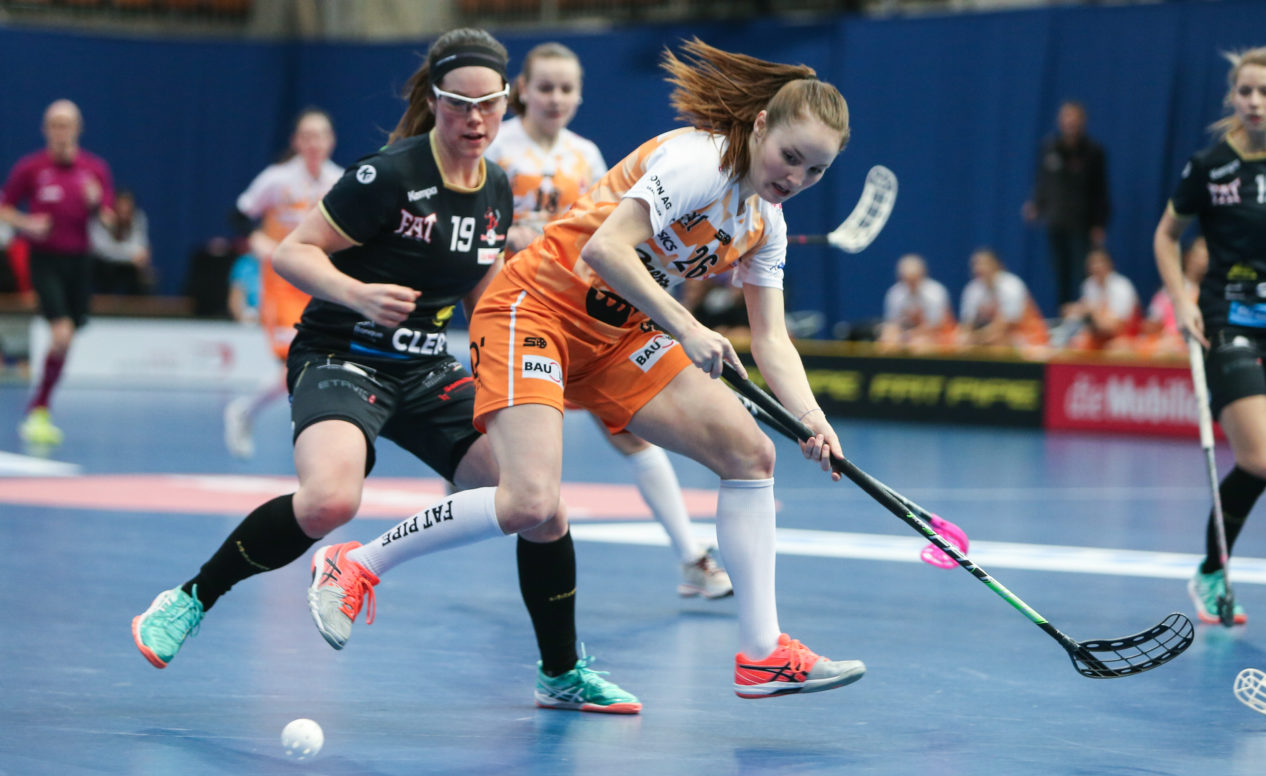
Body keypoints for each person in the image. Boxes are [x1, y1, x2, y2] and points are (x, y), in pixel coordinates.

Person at [309, 38, 868, 700]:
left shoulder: (762, 222)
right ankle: (356, 563)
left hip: (619, 338)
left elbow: (773, 338)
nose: (796, 178)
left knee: (750, 455)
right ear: (759, 127)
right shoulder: (699, 162)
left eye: (816, 171)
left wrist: (811, 418)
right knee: (531, 502)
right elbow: (606, 249)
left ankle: (762, 653)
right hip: (534, 311)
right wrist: (687, 326)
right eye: (790, 157)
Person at [132, 28, 641, 715]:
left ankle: (560, 673)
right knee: (328, 502)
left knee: (540, 502)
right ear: (435, 102)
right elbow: (292, 252)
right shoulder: (387, 175)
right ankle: (191, 597)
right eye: (459, 105)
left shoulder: (495, 187)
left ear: (506, 101)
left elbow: (484, 295)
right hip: (343, 353)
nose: (474, 120)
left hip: (427, 368)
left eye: (488, 104)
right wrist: (357, 292)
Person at [489, 41, 730, 599]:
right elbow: (474, 215)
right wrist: (508, 232)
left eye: (567, 88)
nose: (556, 98)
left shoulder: (587, 155)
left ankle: (692, 560)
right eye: (545, 87)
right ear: (522, 90)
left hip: (586, 314)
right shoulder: (498, 147)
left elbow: (607, 227)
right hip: (523, 307)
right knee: (499, 462)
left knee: (632, 437)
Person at [1153, 45, 1266, 625]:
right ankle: (1211, 572)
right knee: (1259, 461)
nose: (1254, 101)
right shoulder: (1209, 167)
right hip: (1231, 324)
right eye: (1245, 91)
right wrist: (1181, 298)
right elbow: (1166, 236)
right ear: (1233, 96)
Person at [223, 109, 344, 459]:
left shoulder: (338, 181)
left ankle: (251, 411)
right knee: (294, 363)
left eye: (319, 136)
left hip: (319, 280)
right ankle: (255, 414)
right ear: (296, 142)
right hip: (280, 282)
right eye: (306, 136)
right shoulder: (277, 180)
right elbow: (237, 215)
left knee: (314, 361)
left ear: (330, 141)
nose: (313, 143)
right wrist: (257, 240)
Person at [0, 99, 115, 446]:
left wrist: (96, 203)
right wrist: (27, 223)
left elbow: (110, 220)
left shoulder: (94, 169)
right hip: (45, 260)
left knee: (66, 340)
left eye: (67, 125)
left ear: (78, 129)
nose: (61, 132)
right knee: (61, 333)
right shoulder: (31, 168)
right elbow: (5, 207)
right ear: (46, 130)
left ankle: (41, 406)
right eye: (55, 125)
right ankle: (39, 409)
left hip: (79, 263)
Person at [1023, 100, 1111, 312]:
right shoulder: (1050, 147)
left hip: (1082, 222)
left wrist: (1099, 223)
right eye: (1066, 117)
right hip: (1056, 220)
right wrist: (1036, 203)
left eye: (1075, 118)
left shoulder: (1093, 152)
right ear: (1060, 121)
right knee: (1059, 273)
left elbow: (1101, 190)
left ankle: (1084, 318)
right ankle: (1064, 319)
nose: (1070, 122)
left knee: (1082, 273)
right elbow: (1043, 180)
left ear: (1083, 121)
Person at [955, 248, 1047, 350]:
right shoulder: (973, 289)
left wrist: (976, 338)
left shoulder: (1012, 286)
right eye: (975, 264)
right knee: (960, 340)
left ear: (997, 265)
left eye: (983, 264)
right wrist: (965, 338)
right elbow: (967, 325)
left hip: (1027, 337)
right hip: (991, 336)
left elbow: (1004, 327)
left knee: (999, 340)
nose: (978, 268)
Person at [1059, 248, 1140, 350]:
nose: (1096, 267)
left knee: (1116, 348)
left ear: (1110, 264)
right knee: (1076, 342)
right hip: (1099, 334)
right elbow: (1084, 314)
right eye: (1092, 263)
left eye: (1100, 262)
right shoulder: (1088, 285)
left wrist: (1090, 311)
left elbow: (1118, 325)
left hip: (1124, 334)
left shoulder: (1122, 286)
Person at [1141, 237, 1207, 356]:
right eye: (1198, 256)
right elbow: (1151, 323)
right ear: (1188, 257)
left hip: (1194, 344)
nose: (1201, 262)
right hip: (1168, 342)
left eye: (1205, 257)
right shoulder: (1171, 289)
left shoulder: (1210, 290)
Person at [876, 253, 954, 352]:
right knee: (886, 340)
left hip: (935, 336)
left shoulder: (936, 292)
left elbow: (937, 327)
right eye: (907, 279)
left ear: (922, 275)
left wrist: (909, 336)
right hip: (905, 335)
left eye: (914, 278)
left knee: (918, 345)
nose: (911, 283)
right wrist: (894, 337)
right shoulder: (895, 293)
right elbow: (892, 324)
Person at [89, 187, 153, 295]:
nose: (124, 210)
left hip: (128, 267)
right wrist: (129, 255)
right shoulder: (102, 218)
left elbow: (141, 248)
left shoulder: (139, 218)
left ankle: (137, 308)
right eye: (121, 206)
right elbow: (101, 250)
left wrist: (136, 256)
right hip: (105, 266)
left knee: (143, 272)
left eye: (127, 207)